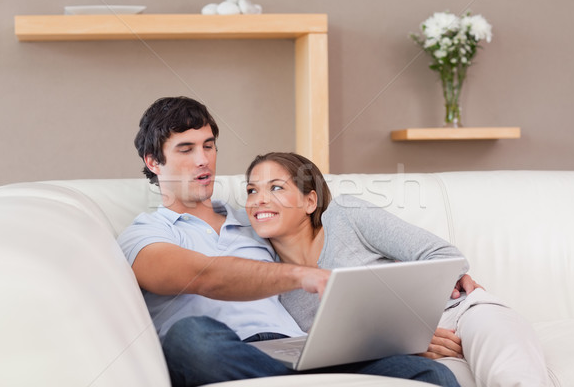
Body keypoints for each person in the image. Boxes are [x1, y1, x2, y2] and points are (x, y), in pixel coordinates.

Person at [117, 96, 460, 387]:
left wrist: (397, 331)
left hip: (301, 352)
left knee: (429, 372)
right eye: (186, 149)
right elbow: (205, 275)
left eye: (208, 146)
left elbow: (333, 255)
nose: (203, 159)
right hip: (225, 353)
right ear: (153, 162)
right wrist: (299, 276)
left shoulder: (256, 219)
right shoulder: (145, 234)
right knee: (189, 337)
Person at [244, 152, 552, 387]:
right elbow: (332, 347)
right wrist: (404, 341)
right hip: (397, 348)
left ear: (310, 201)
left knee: (516, 373)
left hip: (458, 311)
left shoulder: (345, 216)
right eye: (251, 191)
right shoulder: (270, 280)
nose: (259, 200)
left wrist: (413, 326)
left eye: (275, 187)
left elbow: (443, 256)